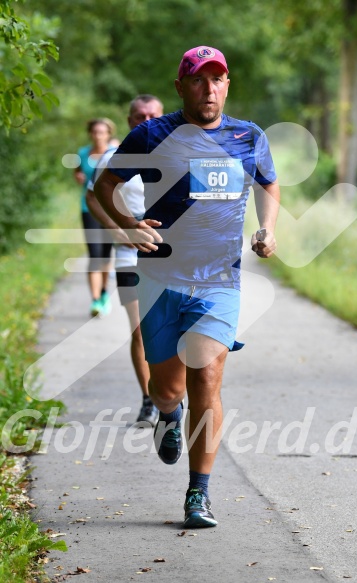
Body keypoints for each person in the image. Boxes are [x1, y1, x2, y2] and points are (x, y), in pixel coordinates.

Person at [94, 46, 280, 528]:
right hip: (159, 277)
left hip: (219, 281)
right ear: (181, 87)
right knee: (166, 388)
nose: (209, 88)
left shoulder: (248, 136)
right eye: (199, 80)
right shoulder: (153, 134)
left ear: (227, 85)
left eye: (217, 79)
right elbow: (103, 188)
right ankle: (167, 415)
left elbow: (268, 184)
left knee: (207, 377)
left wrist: (268, 227)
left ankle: (199, 494)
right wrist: (128, 225)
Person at [86, 95, 164, 426]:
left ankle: (172, 395)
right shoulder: (114, 158)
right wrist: (116, 229)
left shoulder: (177, 153)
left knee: (174, 330)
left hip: (171, 256)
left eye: (153, 115)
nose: (145, 121)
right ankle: (149, 399)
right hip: (130, 255)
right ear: (130, 120)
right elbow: (93, 197)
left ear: (162, 117)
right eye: (139, 116)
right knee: (141, 331)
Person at [74, 118, 117, 317]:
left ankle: (104, 292)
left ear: (108, 133)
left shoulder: (114, 152)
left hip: (110, 209)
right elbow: (77, 173)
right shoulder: (82, 153)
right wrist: (78, 178)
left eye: (102, 132)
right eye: (95, 132)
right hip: (88, 208)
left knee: (106, 255)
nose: (98, 135)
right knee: (94, 254)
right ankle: (95, 300)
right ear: (90, 133)